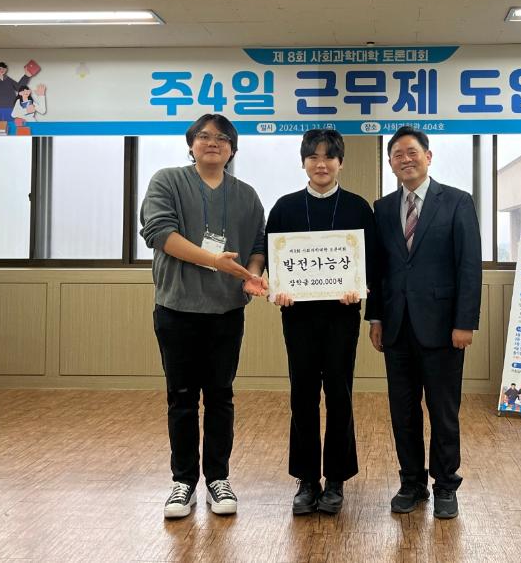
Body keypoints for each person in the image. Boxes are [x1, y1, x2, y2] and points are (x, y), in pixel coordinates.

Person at [140, 113, 269, 520]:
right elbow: (160, 234)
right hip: (176, 308)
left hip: (226, 311)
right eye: (204, 136)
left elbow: (259, 244)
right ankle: (183, 483)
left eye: (222, 138)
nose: (213, 142)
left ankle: (218, 478)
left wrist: (252, 275)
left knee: (220, 396)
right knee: (180, 397)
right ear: (191, 144)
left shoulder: (246, 195)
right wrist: (215, 261)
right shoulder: (167, 181)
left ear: (232, 149)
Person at [365, 126, 482, 520]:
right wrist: (376, 317)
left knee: (443, 411)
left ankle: (446, 485)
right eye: (397, 154)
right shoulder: (382, 208)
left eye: (412, 152)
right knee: (403, 411)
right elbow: (379, 269)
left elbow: (469, 266)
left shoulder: (457, 201)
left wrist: (465, 322)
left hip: (444, 327)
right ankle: (412, 483)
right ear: (390, 163)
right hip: (396, 326)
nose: (405, 159)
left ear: (428, 157)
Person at [265, 129, 376, 516]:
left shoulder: (359, 208)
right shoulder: (284, 207)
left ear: (340, 163)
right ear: (303, 163)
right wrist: (277, 290)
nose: (321, 164)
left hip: (342, 316)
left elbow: (371, 263)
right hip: (298, 317)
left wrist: (358, 288)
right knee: (303, 394)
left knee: (340, 395)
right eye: (313, 157)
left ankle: (337, 479)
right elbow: (273, 261)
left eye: (329, 157)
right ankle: (307, 479)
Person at [0, 61, 31, 125]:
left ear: (6, 70)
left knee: (11, 124)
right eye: (0, 69)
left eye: (4, 69)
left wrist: (26, 76)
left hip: (10, 107)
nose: (2, 70)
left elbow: (18, 87)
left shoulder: (8, 79)